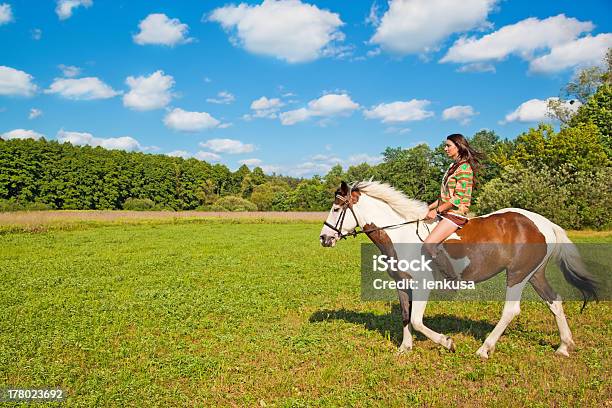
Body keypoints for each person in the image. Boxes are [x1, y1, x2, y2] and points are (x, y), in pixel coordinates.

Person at [423, 133, 483, 279]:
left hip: (456, 214)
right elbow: (444, 197)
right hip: (446, 212)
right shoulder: (452, 167)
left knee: (429, 245)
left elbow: (457, 199)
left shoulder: (464, 168)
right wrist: (427, 208)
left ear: (458, 146)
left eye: (448, 145)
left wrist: (436, 211)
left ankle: (451, 277)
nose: (445, 148)